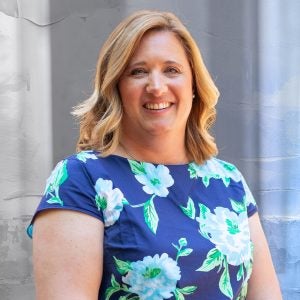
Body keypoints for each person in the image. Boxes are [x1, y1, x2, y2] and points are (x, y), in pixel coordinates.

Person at [28, 10, 282, 300]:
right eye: (138, 71)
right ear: (116, 87)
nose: (157, 87)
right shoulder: (81, 179)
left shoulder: (228, 182)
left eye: (171, 70)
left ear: (194, 85)